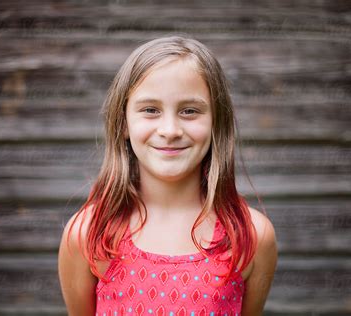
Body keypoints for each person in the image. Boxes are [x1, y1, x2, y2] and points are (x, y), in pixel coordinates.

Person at [58, 35, 278, 316]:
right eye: (150, 110)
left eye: (190, 111)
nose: (170, 130)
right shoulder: (88, 233)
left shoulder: (251, 237)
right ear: (123, 123)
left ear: (216, 122)